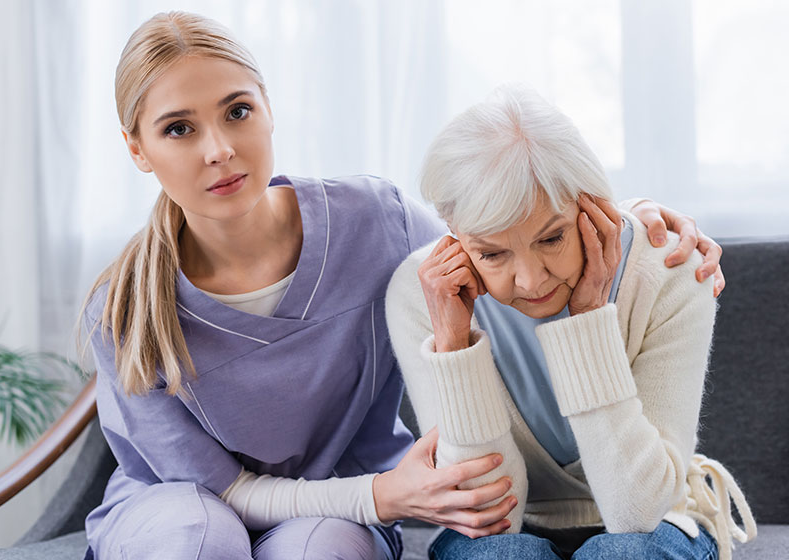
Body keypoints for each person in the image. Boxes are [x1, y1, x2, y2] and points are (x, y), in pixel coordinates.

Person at [79, 11, 728, 560]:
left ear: (268, 107)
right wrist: (384, 493)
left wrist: (634, 222)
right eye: (178, 128)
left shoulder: (373, 224)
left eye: (237, 111)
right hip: (194, 506)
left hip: (342, 512)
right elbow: (221, 491)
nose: (218, 149)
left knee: (327, 548)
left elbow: (503, 211)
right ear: (136, 148)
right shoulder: (125, 309)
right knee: (200, 535)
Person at [385, 86, 756, 560]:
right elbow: (491, 514)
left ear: (593, 203)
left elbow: (636, 513)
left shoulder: (674, 271)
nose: (530, 279)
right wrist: (454, 345)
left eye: (553, 237)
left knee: (624, 555)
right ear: (454, 233)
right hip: (504, 531)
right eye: (492, 253)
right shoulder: (426, 294)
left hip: (654, 521)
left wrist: (588, 320)